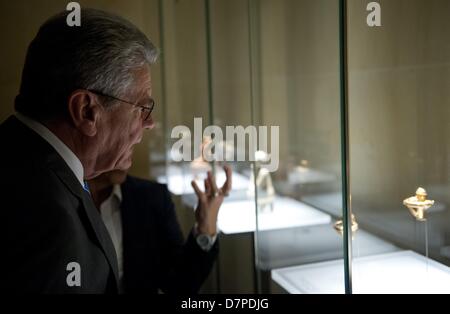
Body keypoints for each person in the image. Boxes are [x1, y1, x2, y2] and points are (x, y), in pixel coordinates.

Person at [0, 8, 231, 293]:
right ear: (86, 110)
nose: (150, 123)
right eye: (141, 108)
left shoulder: (25, 164)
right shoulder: (44, 217)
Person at [87, 164, 232, 294]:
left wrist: (205, 228)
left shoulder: (152, 197)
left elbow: (180, 283)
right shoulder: (65, 195)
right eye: (121, 135)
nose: (130, 146)